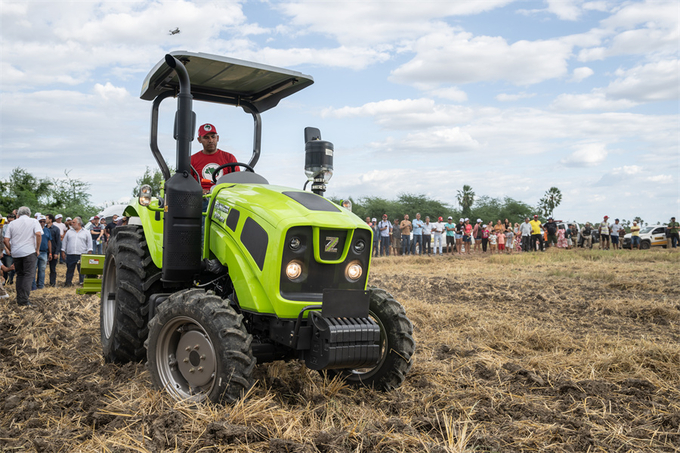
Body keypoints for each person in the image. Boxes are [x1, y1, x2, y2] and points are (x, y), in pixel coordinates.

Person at [3, 206, 42, 307]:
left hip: (16, 253)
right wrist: (37, 249)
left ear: (17, 214)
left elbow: (6, 240)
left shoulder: (12, 223)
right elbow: (38, 234)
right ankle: (24, 300)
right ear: (29, 213)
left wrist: (12, 250)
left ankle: (20, 298)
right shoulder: (33, 221)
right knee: (28, 275)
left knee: (19, 275)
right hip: (29, 252)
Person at [191, 123, 240, 197]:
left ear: (217, 138)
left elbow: (237, 182)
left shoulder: (229, 158)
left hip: (223, 197)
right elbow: (186, 184)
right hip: (202, 198)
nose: (210, 140)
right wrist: (199, 190)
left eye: (213, 137)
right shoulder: (192, 160)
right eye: (206, 137)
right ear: (199, 140)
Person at [61, 217, 93, 286]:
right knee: (69, 270)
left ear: (78, 223)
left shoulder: (86, 232)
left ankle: (82, 283)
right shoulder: (69, 232)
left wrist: (89, 252)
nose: (71, 224)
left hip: (82, 254)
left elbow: (89, 243)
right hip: (70, 254)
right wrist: (63, 251)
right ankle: (68, 283)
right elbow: (64, 242)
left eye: (73, 222)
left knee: (82, 270)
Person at [32, 216, 52, 290]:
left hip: (44, 252)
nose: (42, 223)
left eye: (44, 221)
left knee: (42, 269)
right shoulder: (34, 229)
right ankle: (33, 286)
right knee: (33, 269)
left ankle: (41, 285)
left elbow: (49, 241)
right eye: (40, 221)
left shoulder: (47, 230)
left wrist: (50, 253)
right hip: (34, 252)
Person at [46, 214, 61, 287]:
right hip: (44, 251)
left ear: (50, 220)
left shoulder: (56, 229)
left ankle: (52, 283)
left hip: (53, 250)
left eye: (46, 218)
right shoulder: (43, 228)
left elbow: (58, 241)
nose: (45, 220)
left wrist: (56, 253)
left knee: (52, 269)